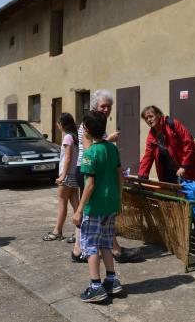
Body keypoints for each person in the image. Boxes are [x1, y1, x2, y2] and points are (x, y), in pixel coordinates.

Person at [73, 89, 137, 264]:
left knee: (96, 215)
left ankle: (80, 250)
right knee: (90, 212)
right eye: (103, 106)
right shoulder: (87, 125)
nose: (106, 109)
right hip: (86, 171)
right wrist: (109, 140)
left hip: (96, 172)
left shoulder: (97, 123)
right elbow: (89, 151)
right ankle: (105, 250)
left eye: (109, 107)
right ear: (95, 106)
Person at [73, 111, 123, 302]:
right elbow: (120, 176)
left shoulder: (90, 153)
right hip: (110, 204)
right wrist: (118, 199)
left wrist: (79, 210)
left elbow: (90, 185)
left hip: (94, 207)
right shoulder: (112, 148)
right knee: (106, 242)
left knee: (91, 245)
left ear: (85, 130)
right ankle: (111, 280)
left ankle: (95, 286)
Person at [138, 105, 195, 237]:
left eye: (151, 116)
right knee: (176, 199)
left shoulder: (172, 124)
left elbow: (189, 143)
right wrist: (142, 176)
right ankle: (182, 228)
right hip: (170, 171)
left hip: (190, 167)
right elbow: (148, 155)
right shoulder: (152, 134)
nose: (149, 120)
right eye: (146, 118)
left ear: (159, 115)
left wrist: (184, 166)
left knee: (193, 196)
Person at [42, 113, 80, 243]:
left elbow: (68, 157)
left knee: (62, 203)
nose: (57, 125)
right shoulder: (75, 137)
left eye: (58, 123)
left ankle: (57, 231)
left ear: (61, 124)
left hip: (67, 175)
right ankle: (79, 232)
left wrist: (62, 175)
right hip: (74, 174)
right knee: (76, 204)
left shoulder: (68, 138)